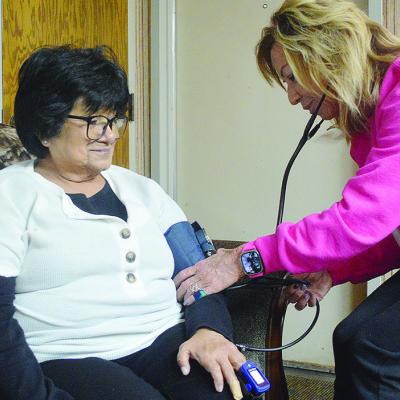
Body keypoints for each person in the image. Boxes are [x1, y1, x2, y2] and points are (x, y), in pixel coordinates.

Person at [174, 0, 400, 398]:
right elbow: (387, 233)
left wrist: (244, 260)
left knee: (373, 349)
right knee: (353, 337)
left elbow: (360, 218)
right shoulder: (372, 122)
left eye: (292, 77)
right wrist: (334, 270)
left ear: (330, 54)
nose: (293, 98)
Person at [0, 45, 246, 400]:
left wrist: (210, 330)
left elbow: (202, 271)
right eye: (93, 121)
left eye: (114, 119)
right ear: (45, 127)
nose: (111, 134)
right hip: (67, 352)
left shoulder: (143, 190)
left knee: (222, 392)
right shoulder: (11, 194)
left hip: (163, 338)